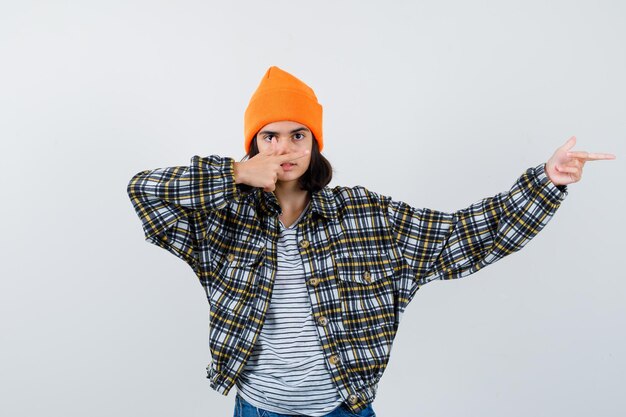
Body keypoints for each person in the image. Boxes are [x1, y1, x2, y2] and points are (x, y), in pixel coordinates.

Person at [126, 66, 616, 417]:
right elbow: (143, 192)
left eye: (298, 135)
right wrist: (233, 173)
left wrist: (546, 183)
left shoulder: (364, 215)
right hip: (258, 408)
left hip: (343, 407)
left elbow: (464, 236)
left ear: (314, 142)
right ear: (253, 144)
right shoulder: (222, 220)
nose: (284, 149)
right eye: (269, 137)